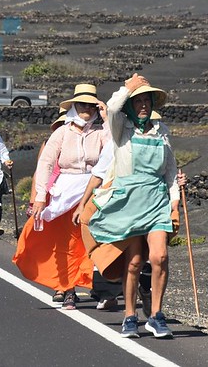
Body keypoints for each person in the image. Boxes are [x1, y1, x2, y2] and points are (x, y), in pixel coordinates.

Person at [73, 74, 186, 339]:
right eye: (138, 101)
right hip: (130, 202)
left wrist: (175, 202)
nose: (143, 105)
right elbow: (111, 108)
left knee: (160, 257)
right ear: (130, 106)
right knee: (134, 262)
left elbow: (169, 171)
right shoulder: (121, 130)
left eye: (147, 100)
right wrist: (128, 88)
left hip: (157, 200)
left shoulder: (162, 132)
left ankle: (157, 316)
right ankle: (130, 317)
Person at [12, 84, 110, 310]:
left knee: (94, 237)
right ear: (74, 107)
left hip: (94, 187)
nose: (87, 108)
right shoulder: (62, 132)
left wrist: (107, 119)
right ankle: (67, 288)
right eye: (82, 104)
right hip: (66, 191)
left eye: (91, 105)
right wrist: (39, 197)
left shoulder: (100, 133)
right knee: (67, 242)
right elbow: (46, 163)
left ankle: (101, 286)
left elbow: (116, 149)